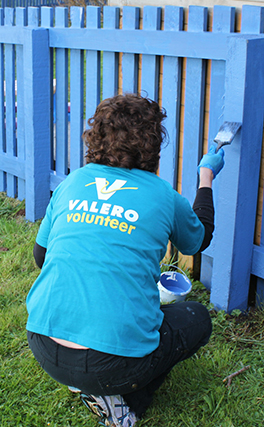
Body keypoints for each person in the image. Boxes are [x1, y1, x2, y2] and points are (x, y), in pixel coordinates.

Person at [26, 94, 225, 427]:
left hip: (45, 343)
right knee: (195, 318)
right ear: (152, 144)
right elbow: (198, 240)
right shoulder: (162, 194)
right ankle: (125, 403)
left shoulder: (74, 181)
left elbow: (40, 257)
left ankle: (85, 381)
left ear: (95, 136)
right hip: (113, 364)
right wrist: (206, 176)